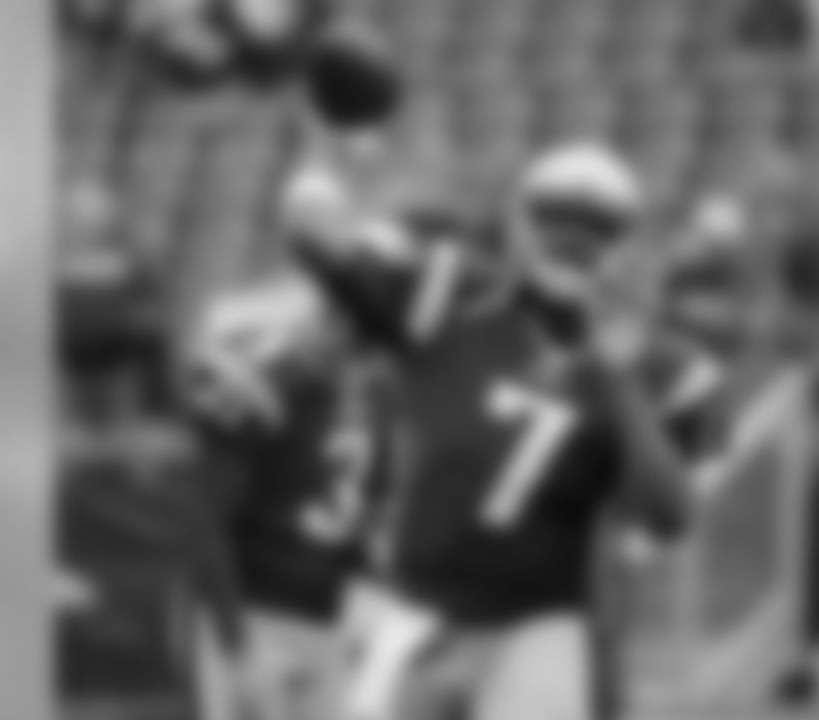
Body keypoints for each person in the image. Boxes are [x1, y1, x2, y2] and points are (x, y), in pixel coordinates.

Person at [287, 142, 714, 720]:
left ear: (631, 243)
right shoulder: (455, 295)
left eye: (599, 226)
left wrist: (616, 380)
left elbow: (669, 518)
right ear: (518, 222)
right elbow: (315, 232)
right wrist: (334, 154)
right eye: (556, 218)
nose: (575, 239)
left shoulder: (663, 368)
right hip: (413, 606)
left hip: (542, 622)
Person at [179, 272, 391, 720]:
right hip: (259, 615)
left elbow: (363, 513)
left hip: (330, 626)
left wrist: (370, 588)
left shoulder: (379, 390)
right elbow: (203, 523)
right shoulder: (263, 384)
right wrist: (236, 643)